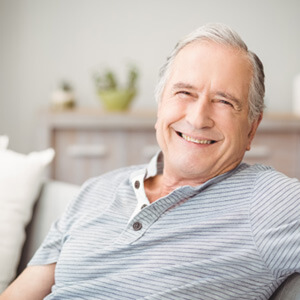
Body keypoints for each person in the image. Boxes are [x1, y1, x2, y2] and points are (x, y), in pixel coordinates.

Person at [1, 23, 300, 300]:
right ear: (160, 107)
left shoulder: (269, 203)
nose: (197, 118)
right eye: (184, 92)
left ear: (251, 128)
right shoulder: (95, 191)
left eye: (224, 101)